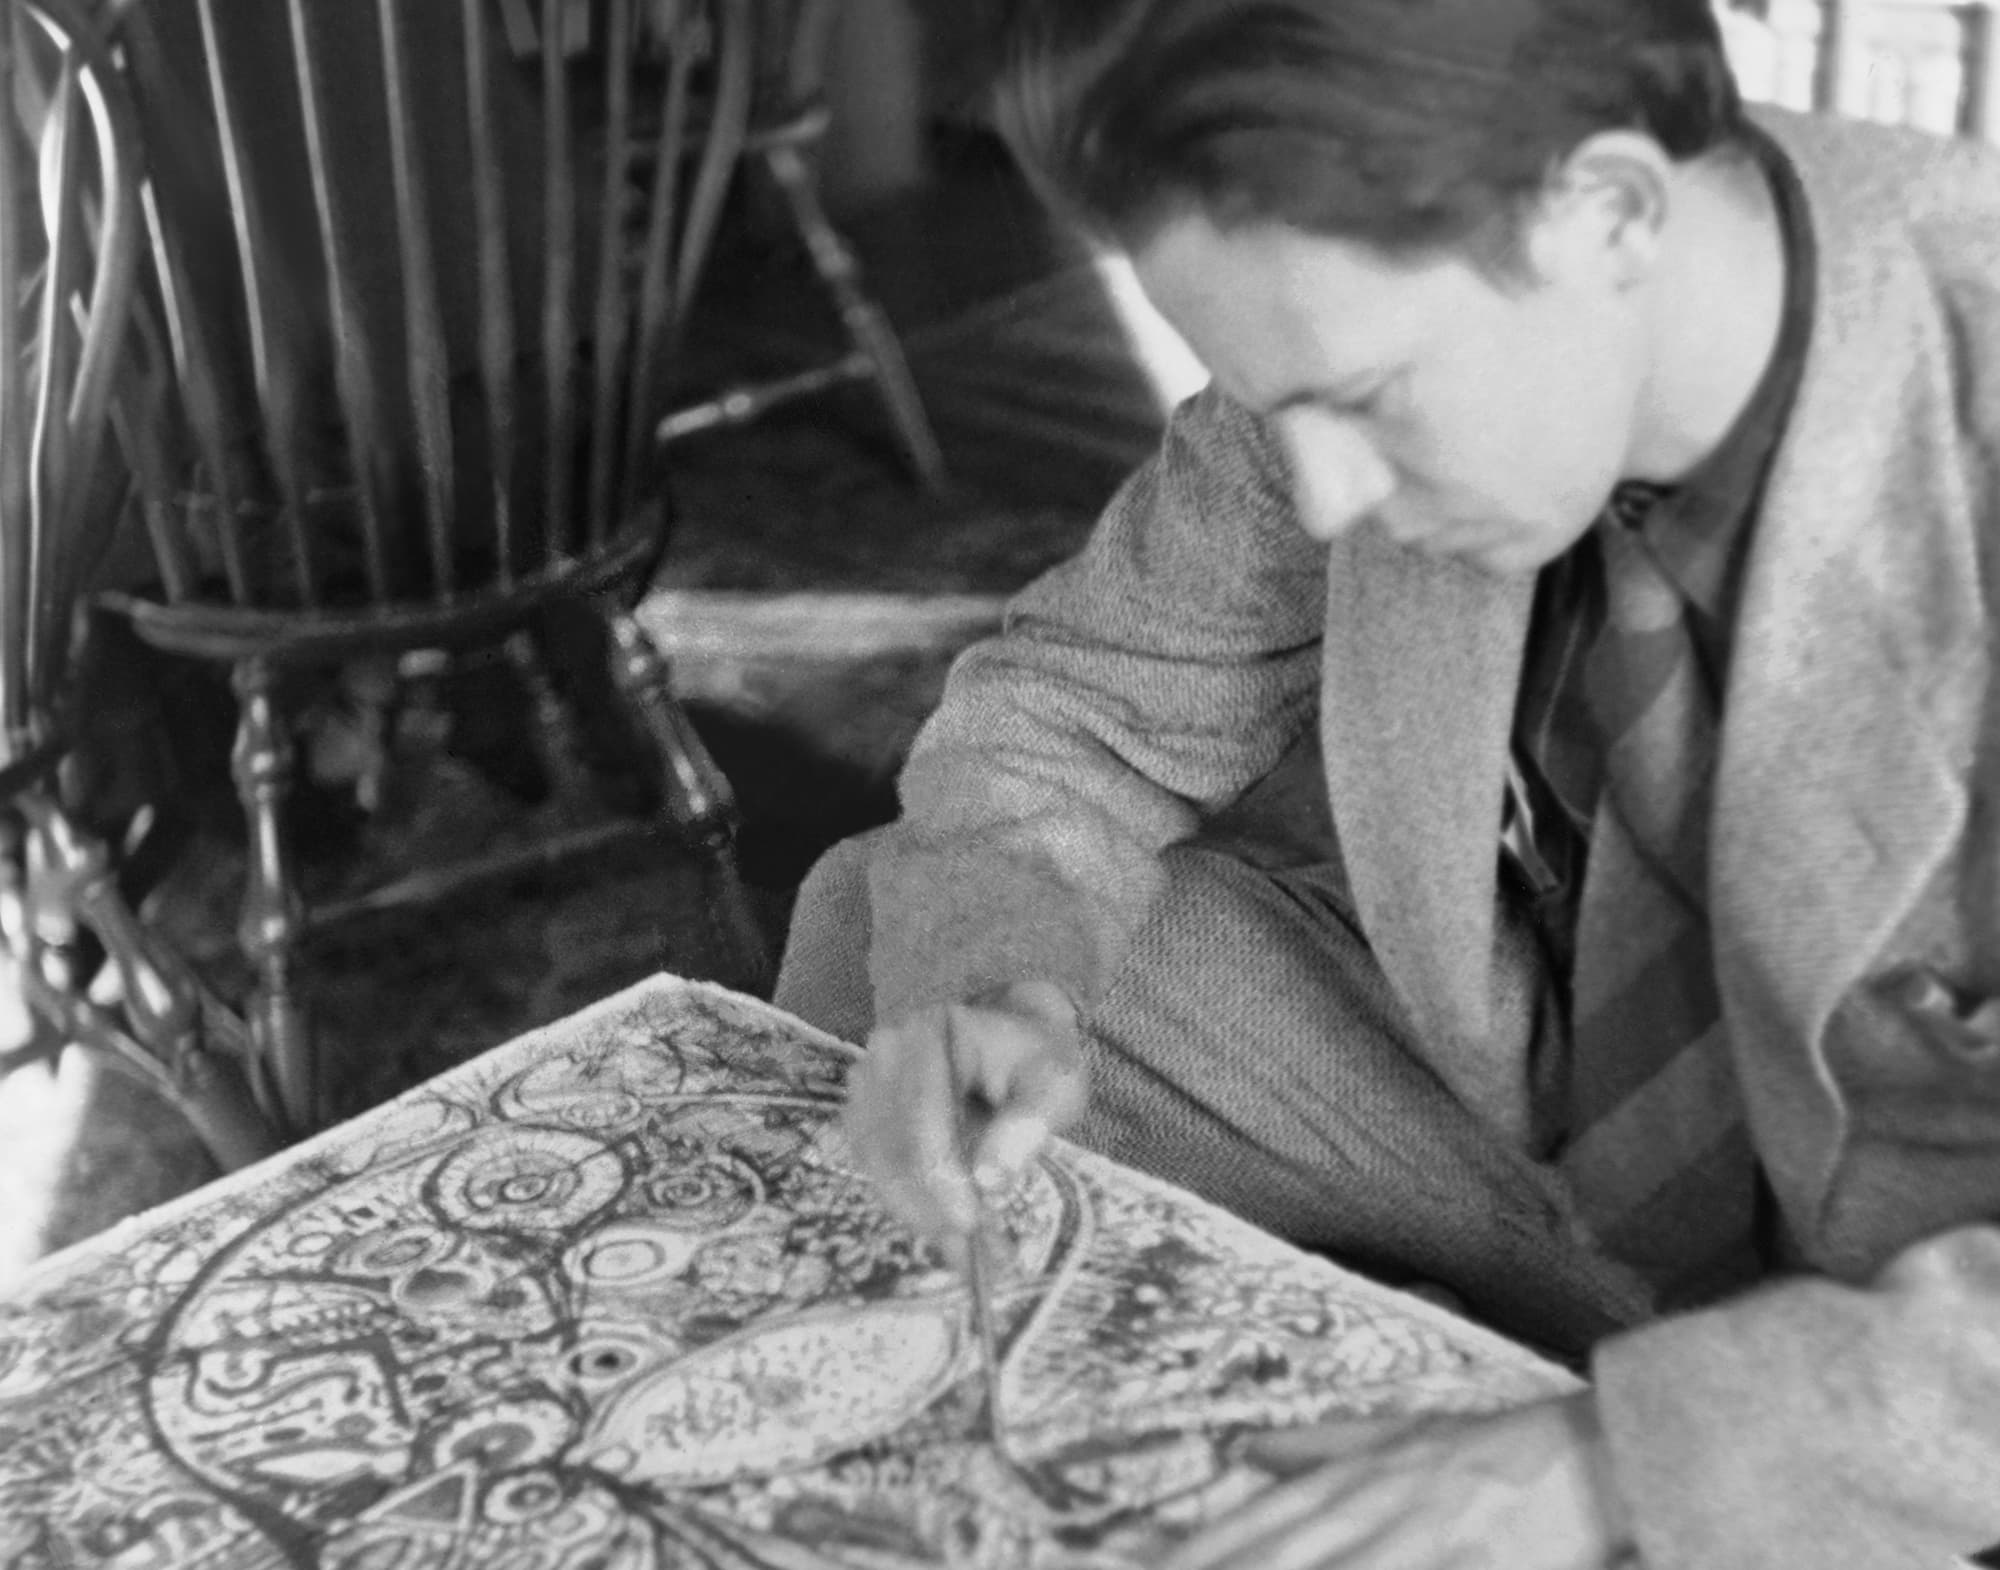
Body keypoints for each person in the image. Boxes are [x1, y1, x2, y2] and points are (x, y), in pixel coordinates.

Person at [774, 1, 2000, 1564]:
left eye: (1357, 401)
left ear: (1609, 209)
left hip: (1907, 1317)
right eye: (1272, 407)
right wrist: (991, 973)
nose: (1324, 496)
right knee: (886, 928)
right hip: (1528, 1131)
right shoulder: (1340, 310)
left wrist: (1616, 1459)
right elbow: (1076, 704)